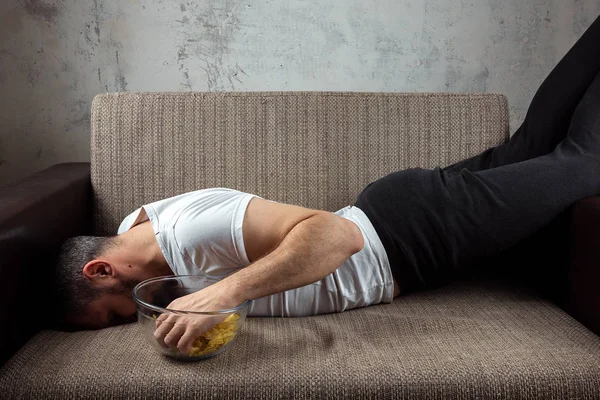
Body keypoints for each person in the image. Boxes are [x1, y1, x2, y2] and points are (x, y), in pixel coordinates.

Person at [55, 15, 600, 355]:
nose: (128, 323)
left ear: (101, 269)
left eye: (112, 315)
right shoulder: (136, 229)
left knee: (586, 161)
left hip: (414, 236)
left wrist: (223, 293)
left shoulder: (193, 233)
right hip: (403, 214)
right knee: (532, 145)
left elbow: (338, 237)